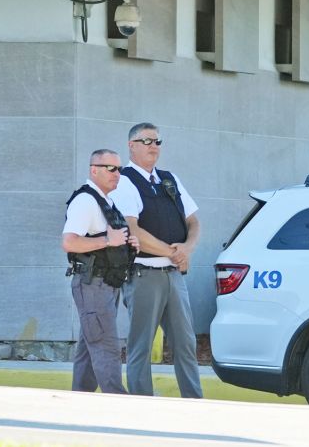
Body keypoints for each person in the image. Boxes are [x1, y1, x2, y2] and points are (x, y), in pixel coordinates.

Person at [110, 122, 204, 398]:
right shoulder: (124, 180)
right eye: (147, 141)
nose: (154, 146)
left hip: (173, 275)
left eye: (157, 141)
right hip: (143, 274)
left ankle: (195, 401)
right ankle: (142, 404)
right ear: (131, 145)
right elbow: (132, 230)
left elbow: (194, 221)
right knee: (141, 345)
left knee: (186, 344)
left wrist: (187, 248)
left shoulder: (169, 178)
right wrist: (172, 252)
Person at [61, 149, 139, 394]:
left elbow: (111, 237)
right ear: (94, 170)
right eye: (111, 169)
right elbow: (69, 242)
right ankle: (117, 403)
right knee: (105, 346)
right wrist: (109, 241)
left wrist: (127, 243)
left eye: (120, 169)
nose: (117, 174)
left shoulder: (104, 200)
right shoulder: (85, 201)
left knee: (89, 347)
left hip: (105, 284)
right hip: (93, 285)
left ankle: (80, 400)